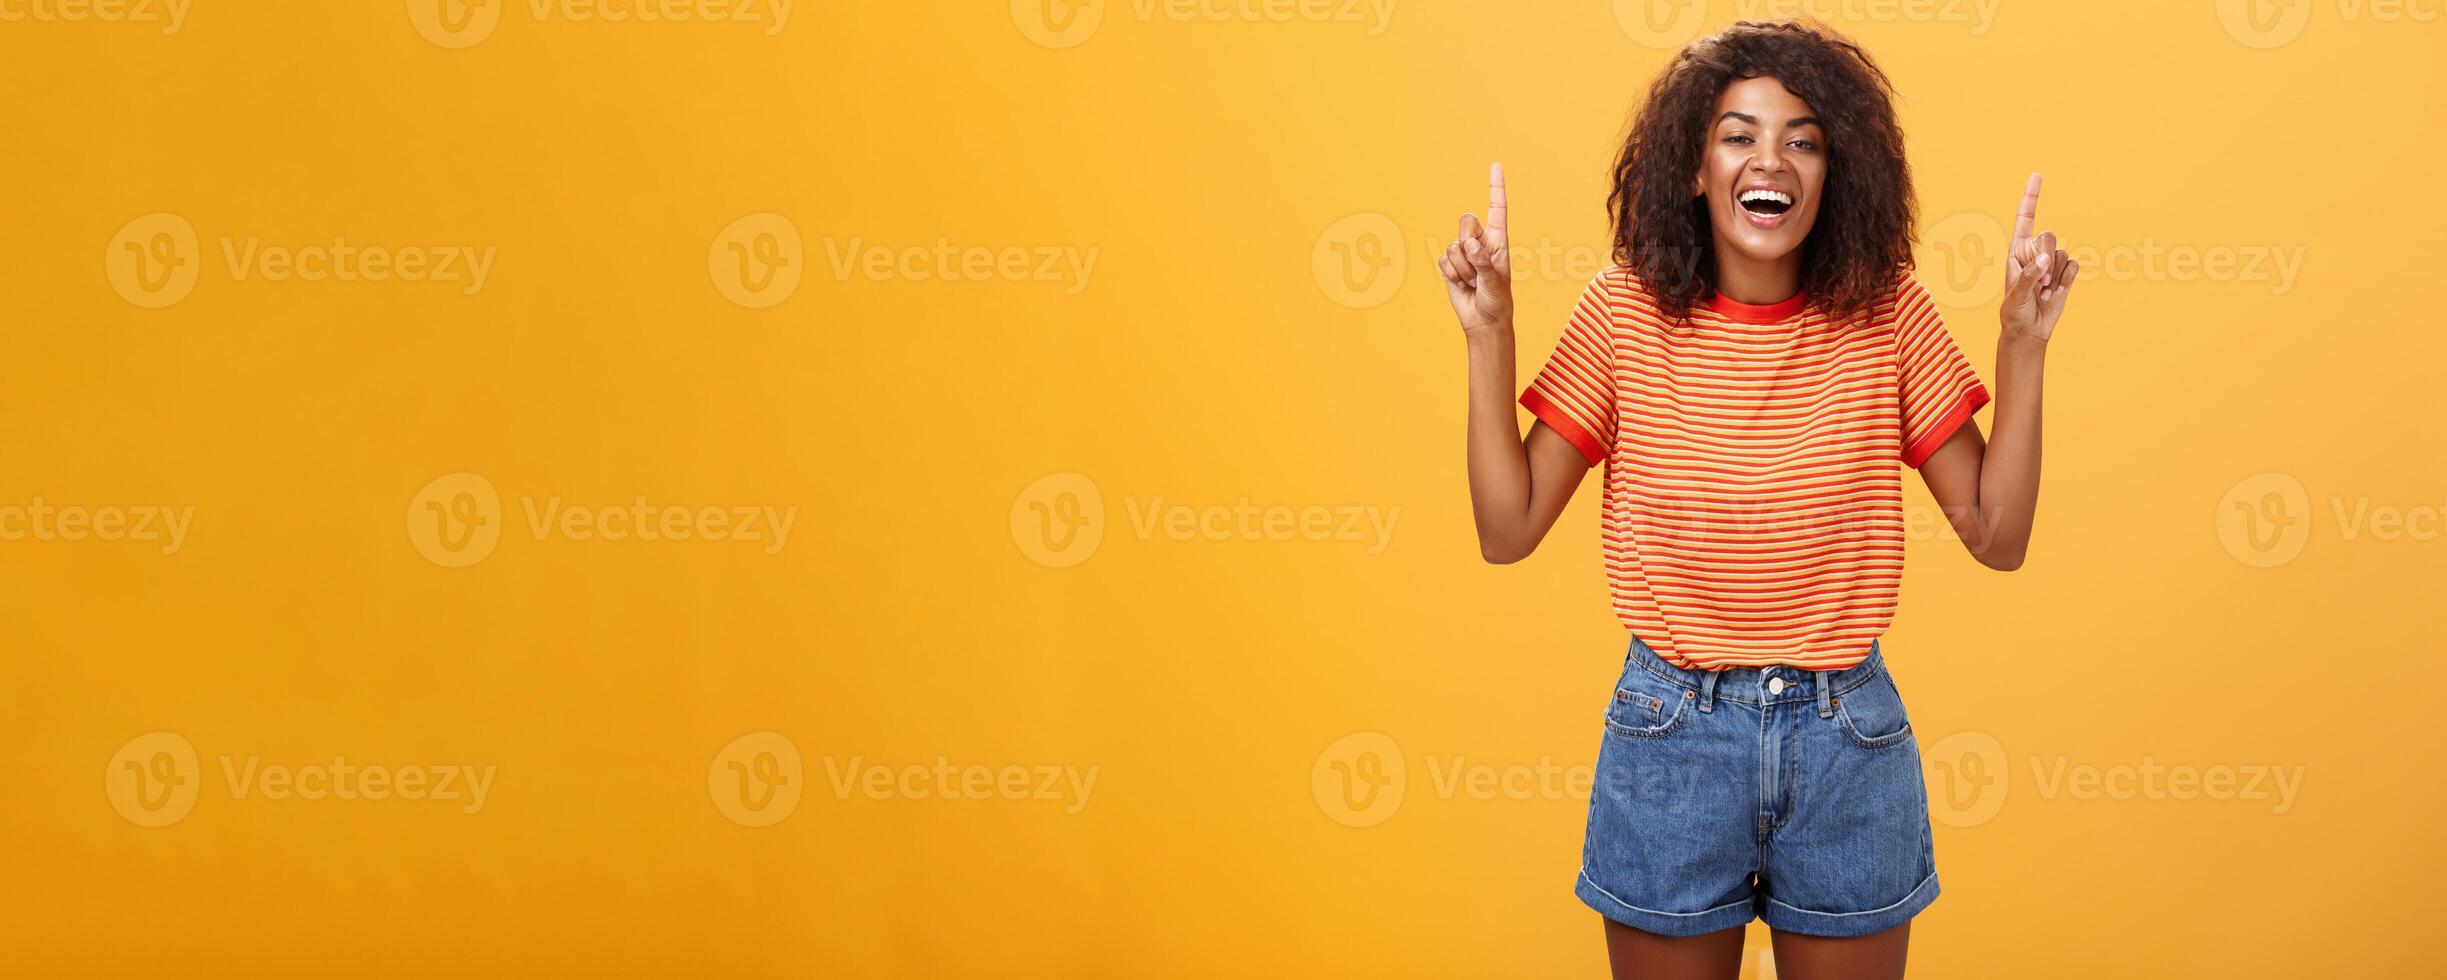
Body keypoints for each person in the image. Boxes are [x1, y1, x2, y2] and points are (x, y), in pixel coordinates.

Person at [1437, 20, 2077, 980]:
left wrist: (2022, 346)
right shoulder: (1622, 311)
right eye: (1737, 135)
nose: (1768, 159)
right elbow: (1506, 528)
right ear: (1693, 168)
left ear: (1832, 176)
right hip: (1670, 736)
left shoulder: (1886, 313)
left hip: (1845, 743)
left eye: (1801, 139)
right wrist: (1491, 334)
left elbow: (1997, 534)